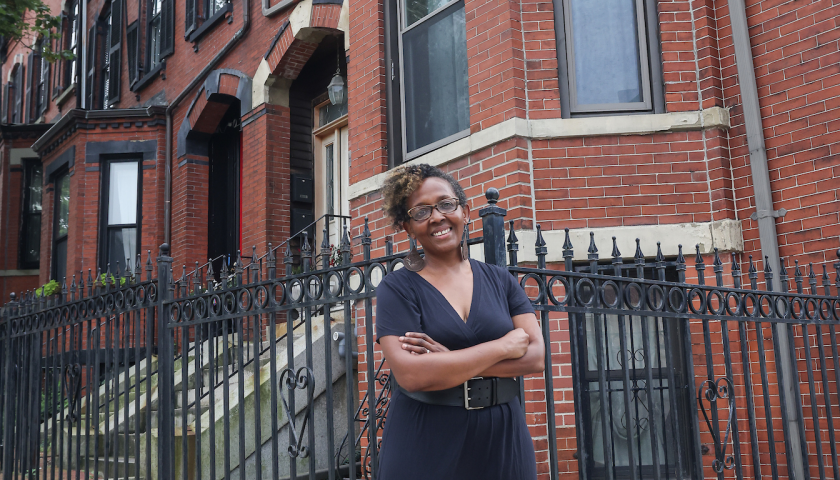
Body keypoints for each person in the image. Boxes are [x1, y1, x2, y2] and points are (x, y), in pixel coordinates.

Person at [375, 163, 545, 480]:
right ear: (408, 227)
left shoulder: (501, 280)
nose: (437, 216)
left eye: (445, 204)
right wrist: (503, 346)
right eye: (421, 212)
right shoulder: (396, 289)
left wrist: (448, 362)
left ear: (465, 211)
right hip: (425, 437)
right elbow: (411, 375)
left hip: (503, 435)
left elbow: (535, 357)